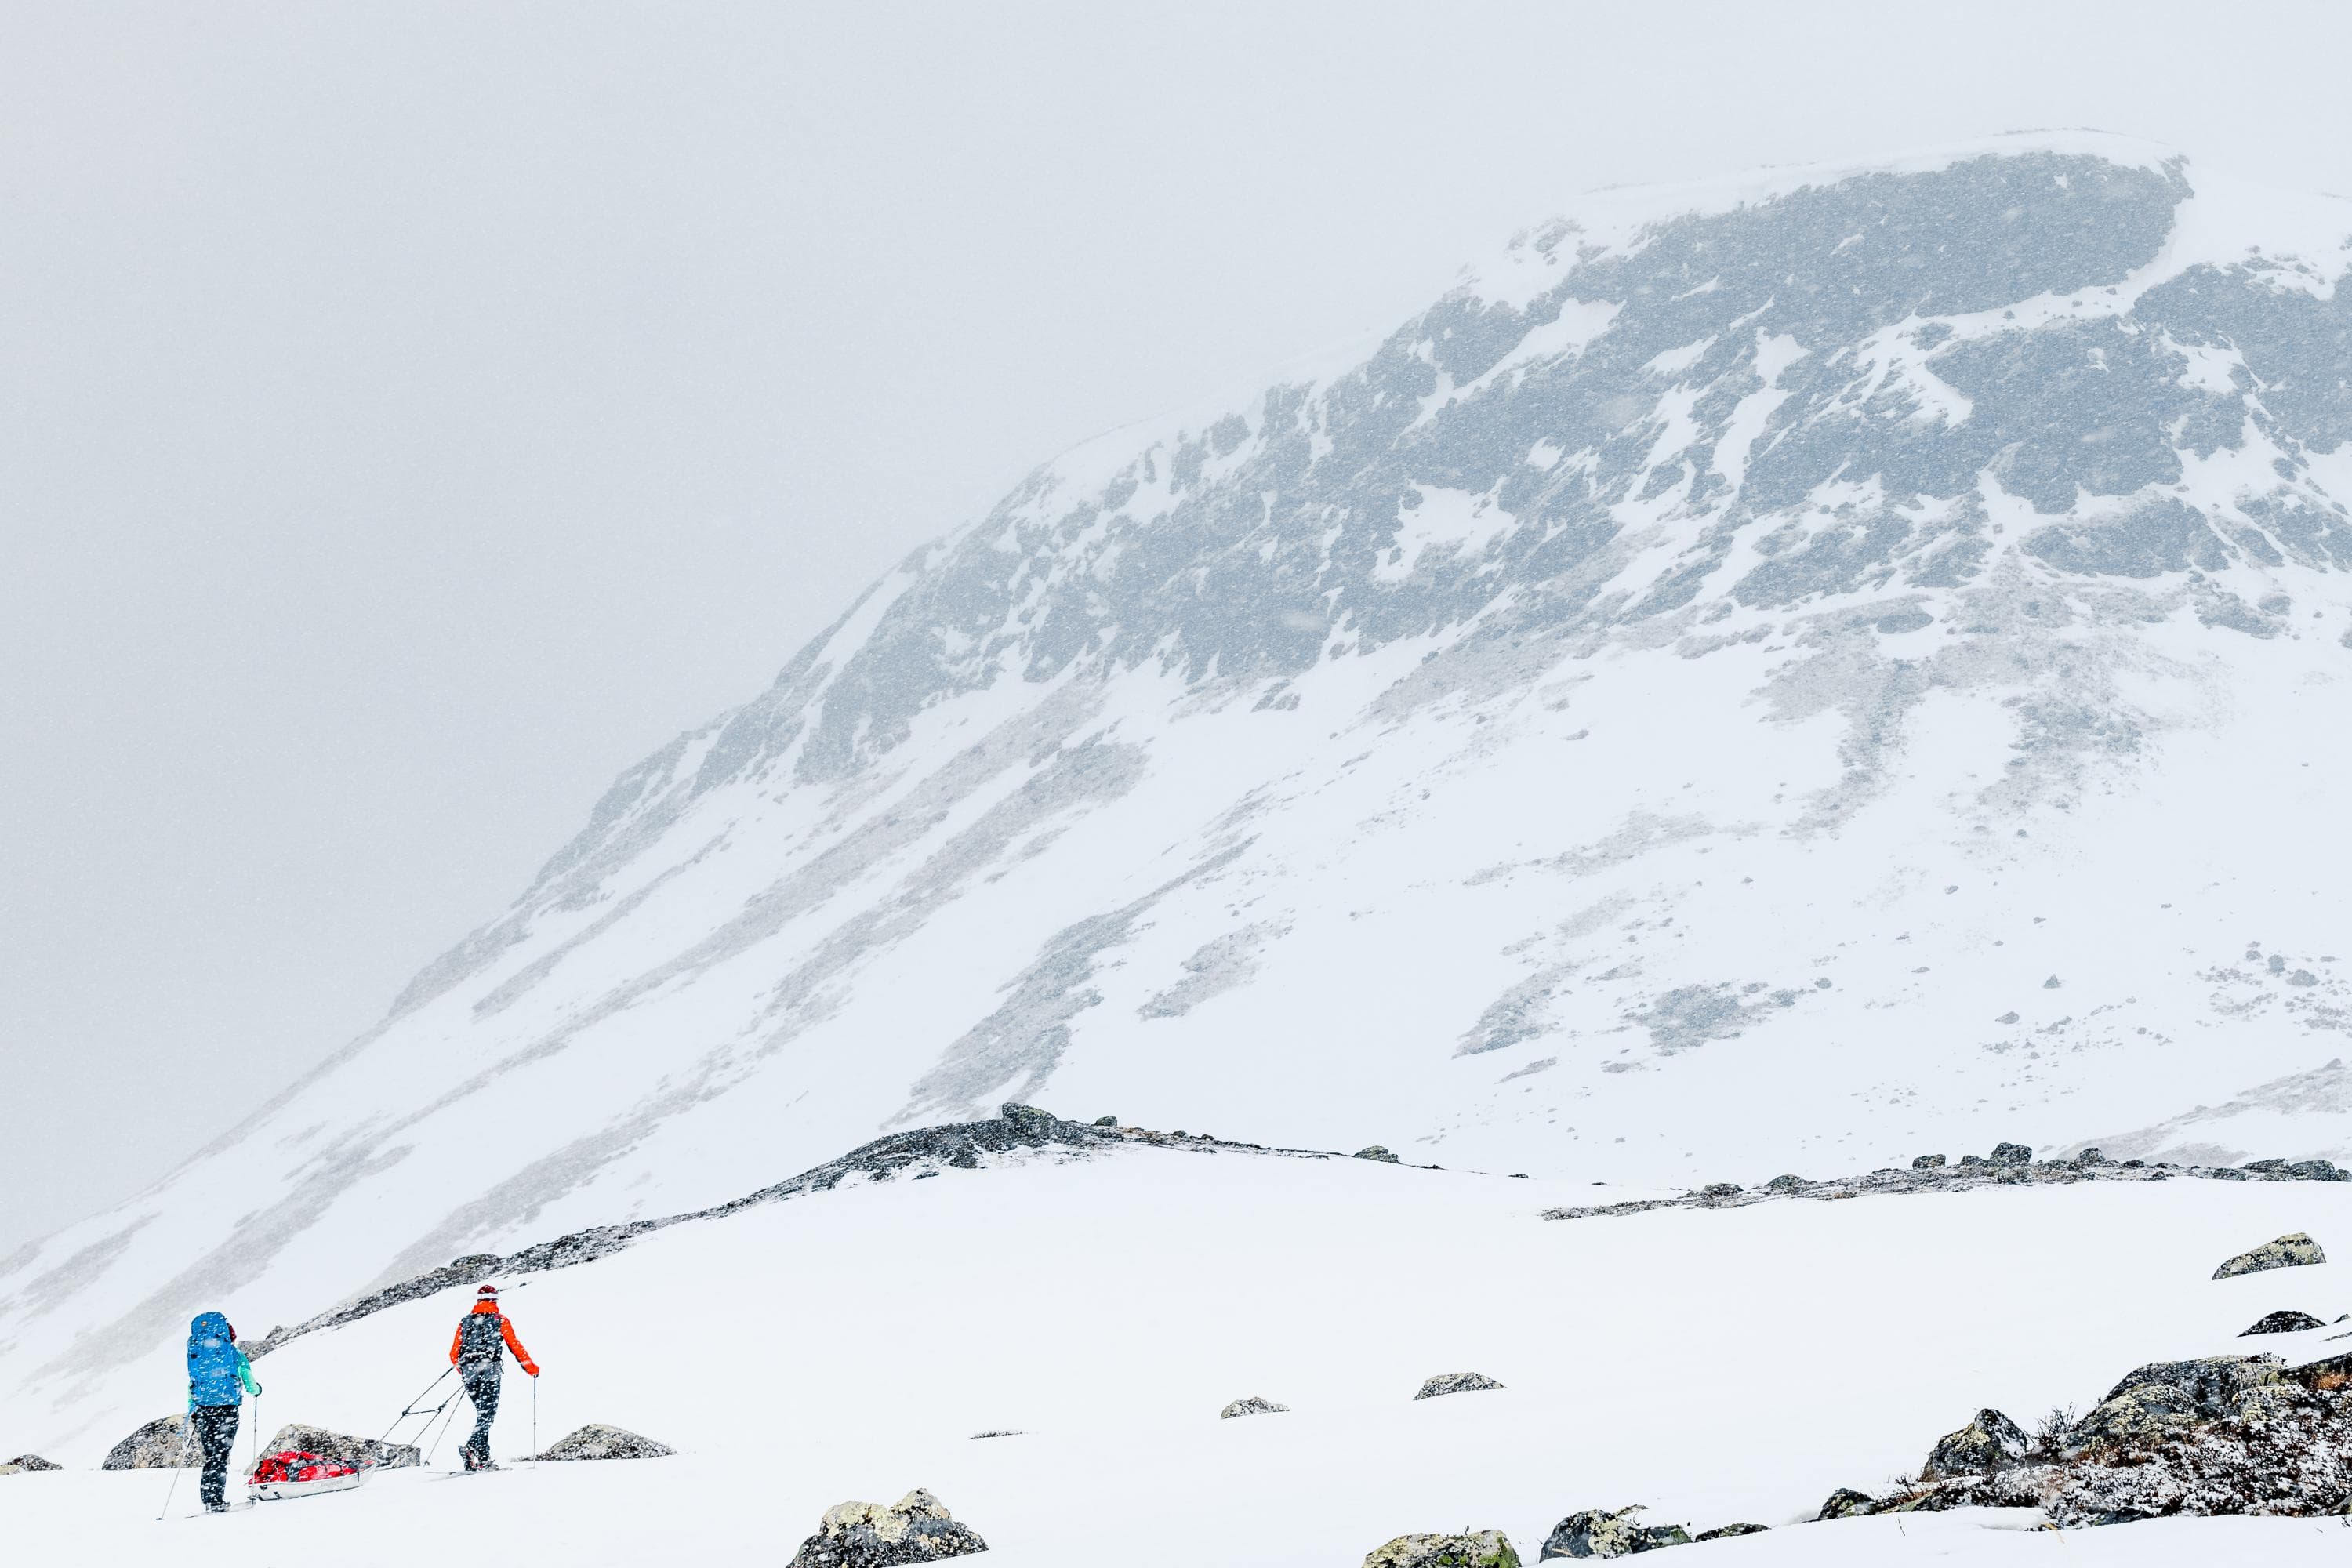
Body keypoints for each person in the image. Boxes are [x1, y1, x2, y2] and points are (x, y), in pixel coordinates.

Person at [448, 1283, 538, 1470]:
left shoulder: (465, 1322)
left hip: (469, 1374)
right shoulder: (500, 1320)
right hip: (490, 1372)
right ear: (495, 1300)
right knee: (487, 1415)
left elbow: (454, 1354)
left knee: (483, 1415)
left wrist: (466, 1371)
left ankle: (481, 1459)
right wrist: (531, 1369)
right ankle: (472, 1447)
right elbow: (515, 1346)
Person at [185, 1310, 260, 1512]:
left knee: (211, 1455)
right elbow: (250, 1384)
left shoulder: (197, 1355)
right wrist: (257, 1390)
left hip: (203, 1410)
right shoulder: (234, 1355)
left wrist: (193, 1409)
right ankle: (216, 1500)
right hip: (226, 1409)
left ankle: (209, 1498)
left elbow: (193, 1383)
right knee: (221, 1454)